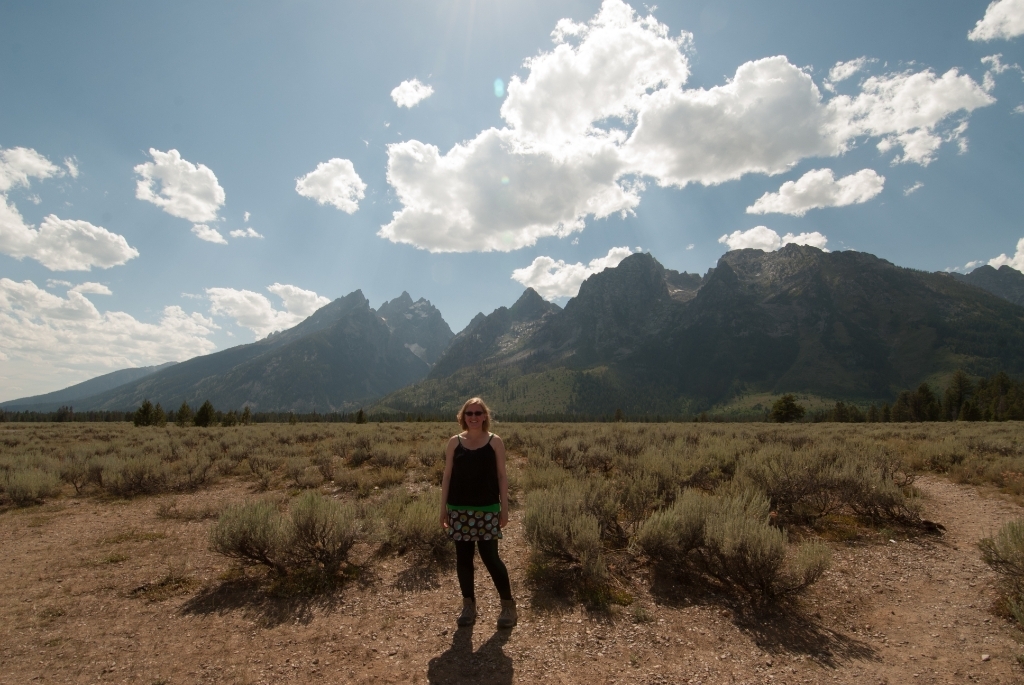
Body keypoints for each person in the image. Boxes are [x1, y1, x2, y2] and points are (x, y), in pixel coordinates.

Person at [439, 397, 516, 629]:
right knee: (463, 560)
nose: (473, 417)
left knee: (491, 558)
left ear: (485, 416)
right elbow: (447, 476)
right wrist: (443, 508)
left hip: (487, 509)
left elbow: (502, 476)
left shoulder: (495, 442)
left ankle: (508, 606)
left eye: (478, 413)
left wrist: (505, 507)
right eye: (469, 413)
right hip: (458, 509)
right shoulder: (454, 442)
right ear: (463, 417)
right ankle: (468, 605)